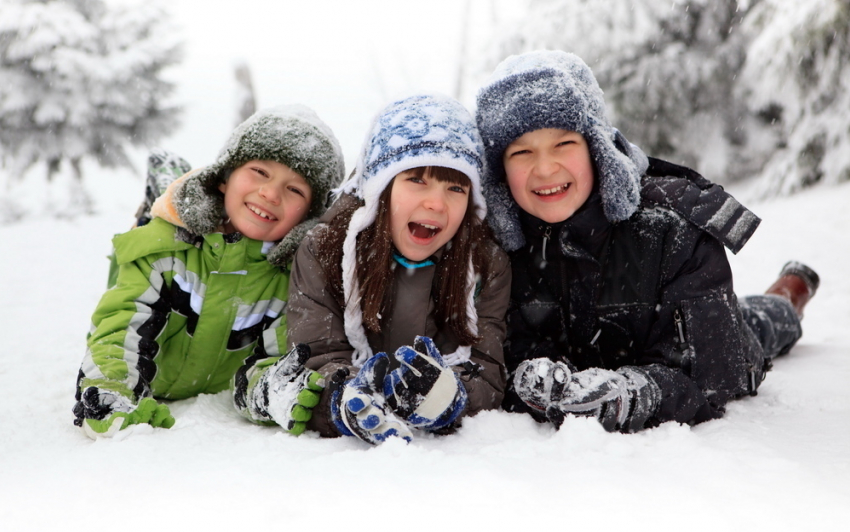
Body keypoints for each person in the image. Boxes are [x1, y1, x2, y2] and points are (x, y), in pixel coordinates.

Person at [474, 50, 819, 433]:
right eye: (521, 152)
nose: (544, 168)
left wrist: (635, 393)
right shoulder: (498, 245)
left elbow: (711, 374)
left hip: (720, 330)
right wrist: (530, 375)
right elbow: (503, 346)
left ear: (597, 148)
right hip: (634, 336)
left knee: (757, 324)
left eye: (564, 144)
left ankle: (789, 295)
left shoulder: (670, 226)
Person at [73, 106, 346, 438]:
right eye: (260, 171)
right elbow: (118, 329)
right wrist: (110, 389)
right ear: (223, 177)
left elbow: (269, 364)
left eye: (295, 190)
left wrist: (270, 392)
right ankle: (161, 193)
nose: (271, 193)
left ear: (309, 215)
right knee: (141, 240)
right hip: (173, 248)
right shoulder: (162, 251)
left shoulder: (289, 281)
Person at [283, 94, 511, 444]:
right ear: (380, 188)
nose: (435, 202)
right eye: (416, 179)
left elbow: (487, 369)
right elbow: (315, 355)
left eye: (455, 187)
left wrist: (452, 396)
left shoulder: (485, 264)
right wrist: (343, 397)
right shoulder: (325, 250)